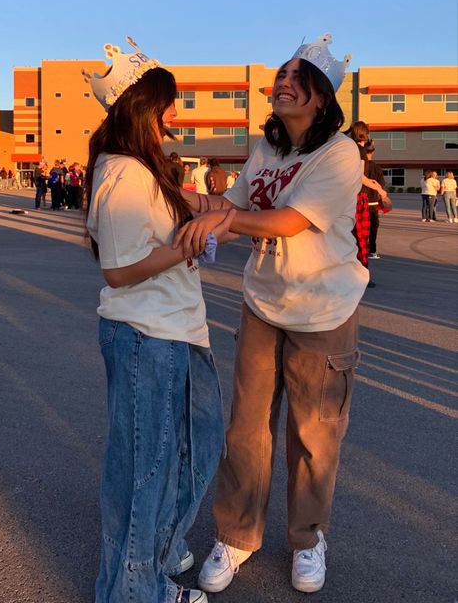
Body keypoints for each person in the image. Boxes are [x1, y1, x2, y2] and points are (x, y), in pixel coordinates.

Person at [174, 33, 369, 595]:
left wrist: (225, 222)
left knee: (315, 433)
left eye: (296, 77)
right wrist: (177, 194)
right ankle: (235, 535)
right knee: (246, 428)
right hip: (262, 302)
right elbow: (231, 207)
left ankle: (308, 539)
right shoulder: (267, 149)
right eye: (280, 76)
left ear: (320, 96)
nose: (282, 83)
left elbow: (289, 221)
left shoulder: (340, 154)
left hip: (325, 310)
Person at [83, 39, 228, 603]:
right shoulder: (121, 172)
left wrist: (218, 215)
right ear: (141, 106)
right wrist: (191, 241)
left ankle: (156, 557)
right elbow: (119, 272)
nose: (178, 112)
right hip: (146, 335)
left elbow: (196, 208)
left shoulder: (147, 169)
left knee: (197, 449)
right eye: (169, 102)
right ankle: (134, 591)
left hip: (179, 331)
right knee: (143, 474)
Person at [348, 121, 388, 287]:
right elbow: (360, 176)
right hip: (358, 198)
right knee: (361, 239)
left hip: (344, 197)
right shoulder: (360, 150)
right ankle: (363, 276)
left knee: (347, 238)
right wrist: (380, 190)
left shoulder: (345, 146)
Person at [365, 140, 387, 258]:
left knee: (359, 228)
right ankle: (372, 251)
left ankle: (359, 250)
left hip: (358, 202)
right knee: (373, 228)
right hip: (372, 203)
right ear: (373, 151)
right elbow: (381, 185)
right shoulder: (377, 168)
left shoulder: (358, 166)